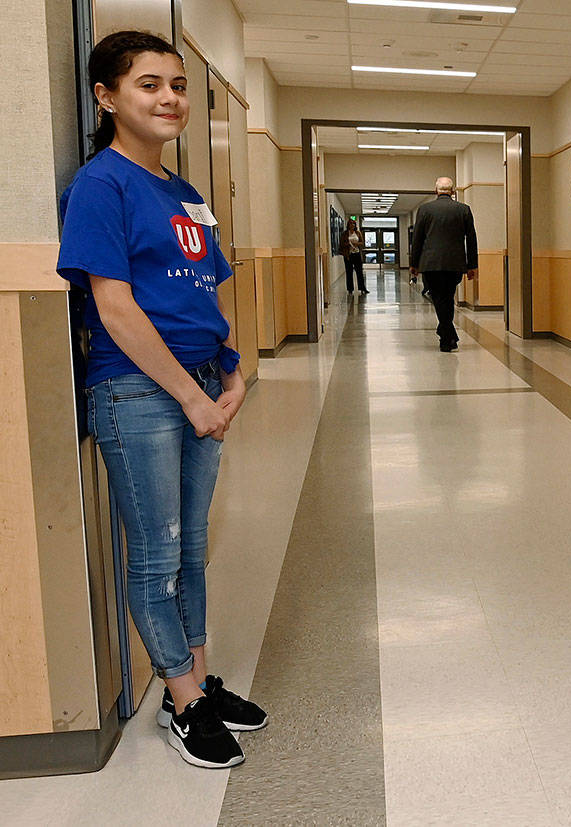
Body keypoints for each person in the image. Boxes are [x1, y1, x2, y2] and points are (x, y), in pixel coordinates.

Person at [57, 30, 267, 769]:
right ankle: (183, 704)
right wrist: (190, 396)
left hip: (202, 385)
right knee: (156, 553)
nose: (169, 97)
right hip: (138, 391)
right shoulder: (101, 184)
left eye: (177, 84)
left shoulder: (185, 193)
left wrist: (230, 372)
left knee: (191, 548)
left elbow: (203, 291)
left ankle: (200, 680)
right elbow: (114, 307)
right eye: (149, 84)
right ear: (107, 96)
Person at [409, 177, 478, 351]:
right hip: (455, 264)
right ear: (453, 191)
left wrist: (414, 264)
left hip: (431, 264)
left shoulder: (425, 210)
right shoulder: (463, 209)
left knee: (439, 297)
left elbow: (417, 239)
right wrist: (472, 265)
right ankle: (449, 336)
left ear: (436, 190)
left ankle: (446, 335)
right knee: (447, 296)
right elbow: (471, 239)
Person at [338, 217, 367, 294]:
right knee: (349, 272)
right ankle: (350, 289)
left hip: (357, 254)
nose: (352, 225)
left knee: (359, 272)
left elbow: (362, 243)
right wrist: (348, 244)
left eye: (353, 223)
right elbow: (341, 244)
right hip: (348, 255)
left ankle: (362, 288)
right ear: (348, 225)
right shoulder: (345, 234)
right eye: (351, 224)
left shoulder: (358, 233)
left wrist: (355, 244)